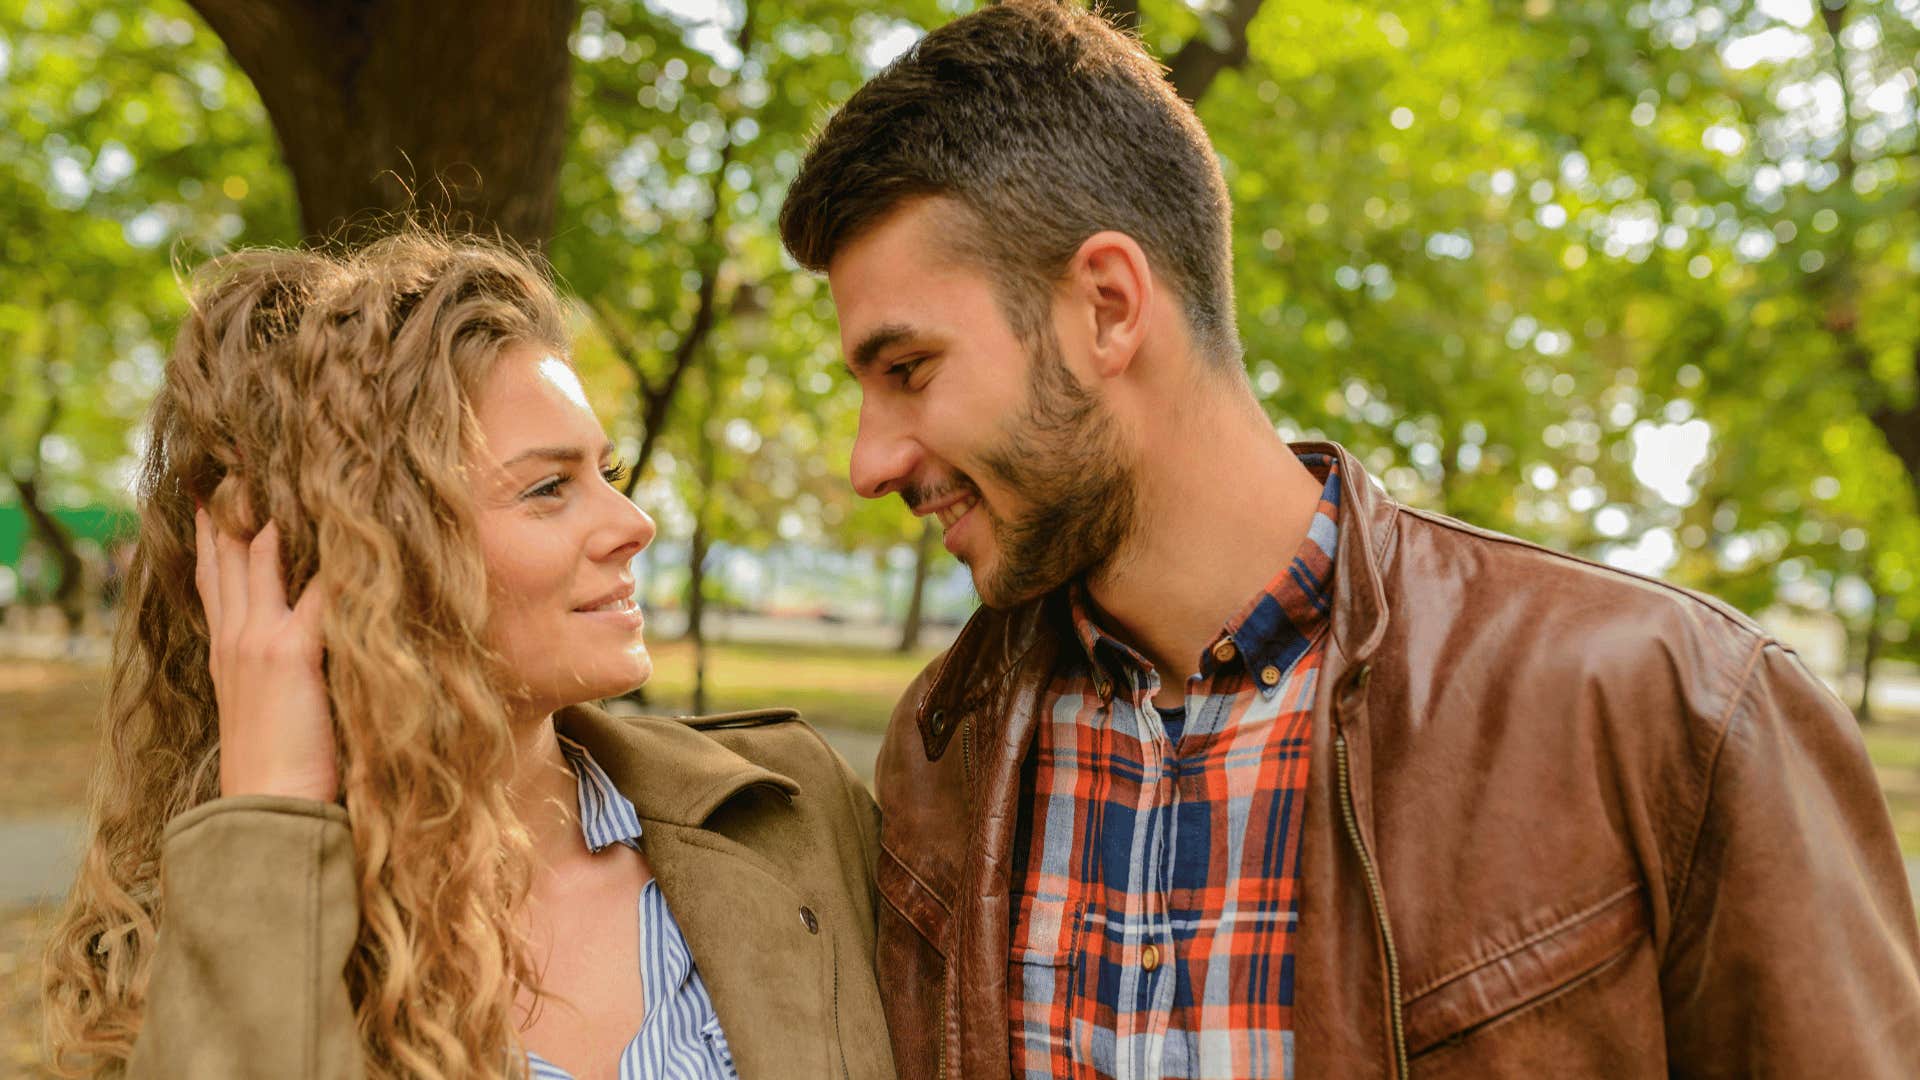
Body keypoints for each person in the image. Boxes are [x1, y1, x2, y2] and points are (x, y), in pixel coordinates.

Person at [777, 2, 1920, 1076]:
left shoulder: (1671, 706)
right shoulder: (945, 750)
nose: (868, 461)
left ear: (1109, 308)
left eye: (908, 369)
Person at [41, 231, 893, 1079]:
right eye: (549, 488)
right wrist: (270, 820)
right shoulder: (194, 937)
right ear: (366, 557)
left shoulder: (791, 812)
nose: (635, 524)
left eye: (609, 471)